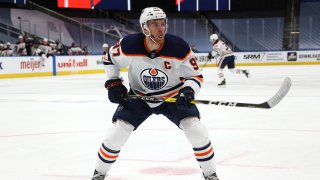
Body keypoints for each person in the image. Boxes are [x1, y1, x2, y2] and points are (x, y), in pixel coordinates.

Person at [91, 7, 219, 180]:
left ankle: (210, 175)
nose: (161, 28)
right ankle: (99, 174)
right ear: (144, 27)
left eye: (162, 24)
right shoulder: (129, 44)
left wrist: (188, 91)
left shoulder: (179, 47)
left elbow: (195, 75)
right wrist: (113, 82)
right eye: (155, 25)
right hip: (139, 96)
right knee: (116, 133)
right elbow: (109, 59)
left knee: (197, 131)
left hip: (172, 96)